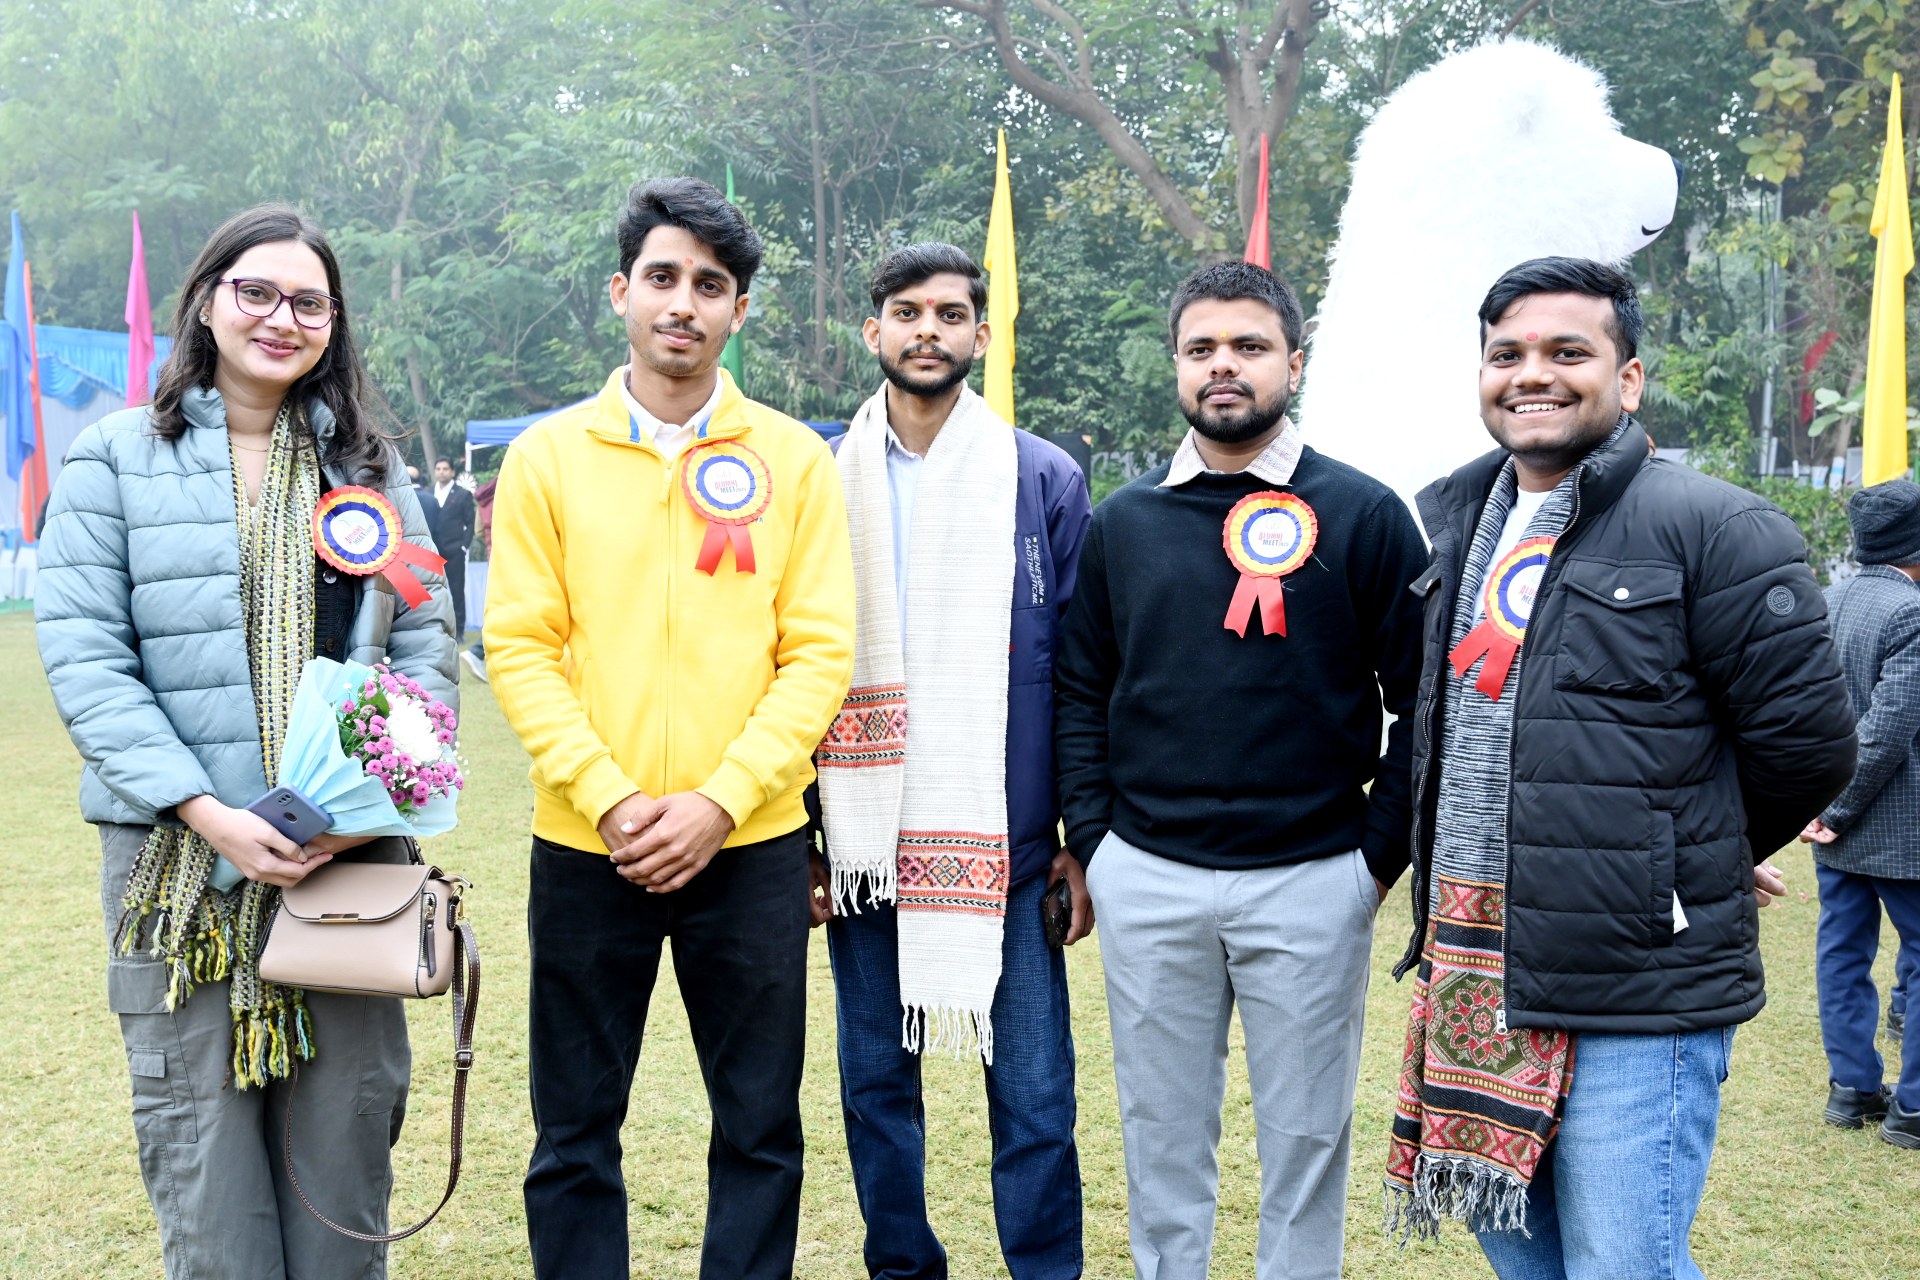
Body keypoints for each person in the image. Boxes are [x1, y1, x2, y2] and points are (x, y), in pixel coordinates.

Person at [1385, 256, 1856, 1278]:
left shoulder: (1716, 527)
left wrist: (1681, 853)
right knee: (1524, 1256)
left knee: (1623, 1262)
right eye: (1506, 354)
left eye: (1568, 351)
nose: (1532, 374)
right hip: (1479, 963)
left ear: (1628, 377)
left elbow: (1810, 740)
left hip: (1641, 978)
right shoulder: (1461, 525)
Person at [34, 203, 457, 1278]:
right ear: (206, 301)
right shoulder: (114, 458)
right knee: (206, 1174)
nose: (282, 317)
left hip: (346, 867)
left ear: (334, 322)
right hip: (178, 874)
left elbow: (421, 648)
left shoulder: (369, 472)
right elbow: (88, 658)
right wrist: (209, 812)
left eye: (309, 301)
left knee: (346, 1165)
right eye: (256, 291)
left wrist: (354, 811)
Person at [484, 176, 854, 1280]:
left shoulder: (795, 460)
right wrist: (608, 798)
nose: (682, 302)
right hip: (585, 844)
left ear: (739, 308)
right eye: (662, 277)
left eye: (710, 283)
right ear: (621, 293)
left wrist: (720, 800)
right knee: (573, 1129)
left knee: (760, 1127)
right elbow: (520, 646)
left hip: (748, 846)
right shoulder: (547, 457)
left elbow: (818, 653)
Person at [1054, 261, 1427, 1280]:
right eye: (1202, 347)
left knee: (1306, 1138)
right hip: (1149, 877)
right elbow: (1081, 688)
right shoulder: (1124, 521)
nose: (1224, 365)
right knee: (1161, 1130)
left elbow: (1423, 699)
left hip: (1314, 879)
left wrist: (1375, 859)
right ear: (1177, 364)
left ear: (1293, 363)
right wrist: (1097, 841)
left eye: (1250, 346)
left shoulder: (1363, 513)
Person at [811, 242, 1092, 1280]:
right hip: (861, 842)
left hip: (1006, 844)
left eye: (949, 313)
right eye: (906, 311)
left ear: (980, 333)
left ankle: (1045, 1268)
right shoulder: (819, 475)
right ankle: (902, 1267)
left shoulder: (1041, 475)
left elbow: (1080, 671)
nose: (927, 329)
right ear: (874, 329)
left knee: (1035, 1096)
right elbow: (786, 659)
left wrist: (1075, 835)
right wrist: (806, 835)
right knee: (875, 1088)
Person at [1799, 479, 1920, 1148]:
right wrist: (1841, 809)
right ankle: (1913, 1109)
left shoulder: (1828, 600)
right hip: (1898, 826)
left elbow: (1808, 713)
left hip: (1831, 823)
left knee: (1842, 951)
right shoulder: (1912, 613)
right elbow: (1888, 729)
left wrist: (1823, 806)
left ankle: (1852, 1089)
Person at [428, 456, 476, 642]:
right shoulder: (428, 493)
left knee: (456, 591)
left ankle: (460, 631)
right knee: (433, 591)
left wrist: (464, 545)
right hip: (432, 551)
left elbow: (470, 523)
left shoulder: (463, 494)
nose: (441, 472)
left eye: (445, 469)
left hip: (455, 550)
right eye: (438, 468)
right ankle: (435, 629)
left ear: (452, 472)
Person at [461, 476, 496, 683]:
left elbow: (479, 531)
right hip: (517, 558)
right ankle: (477, 651)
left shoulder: (484, 497)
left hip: (494, 558)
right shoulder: (515, 485)